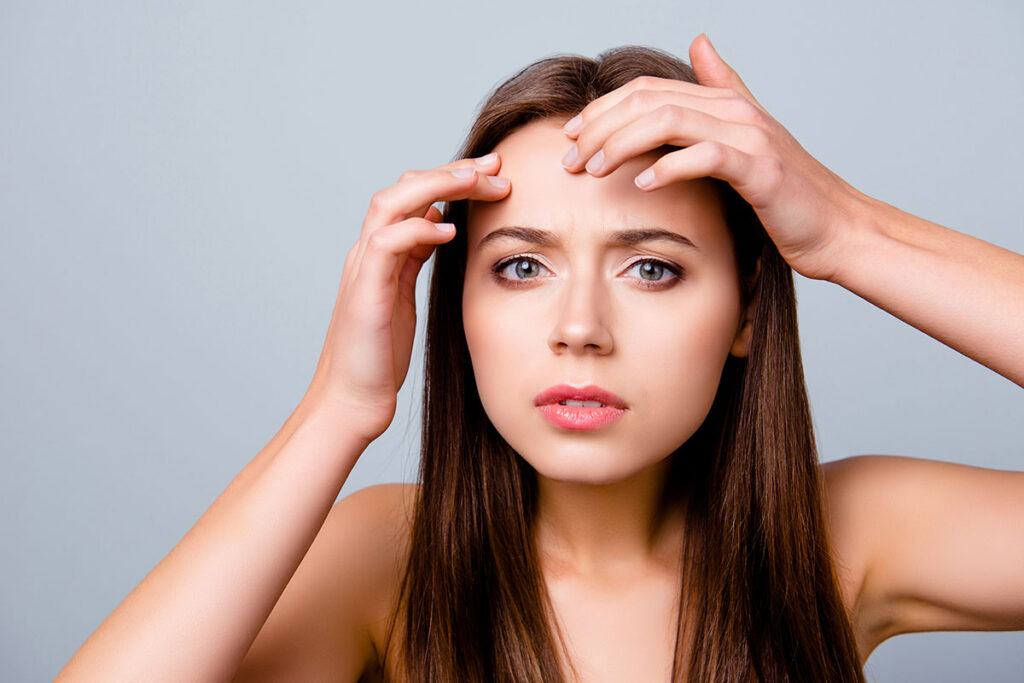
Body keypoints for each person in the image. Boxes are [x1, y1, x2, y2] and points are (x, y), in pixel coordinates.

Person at [55, 34, 1024, 682]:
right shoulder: (390, 555)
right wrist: (336, 411)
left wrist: (847, 233)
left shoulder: (841, 536)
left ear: (747, 314)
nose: (579, 327)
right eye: (520, 264)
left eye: (651, 266)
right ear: (457, 303)